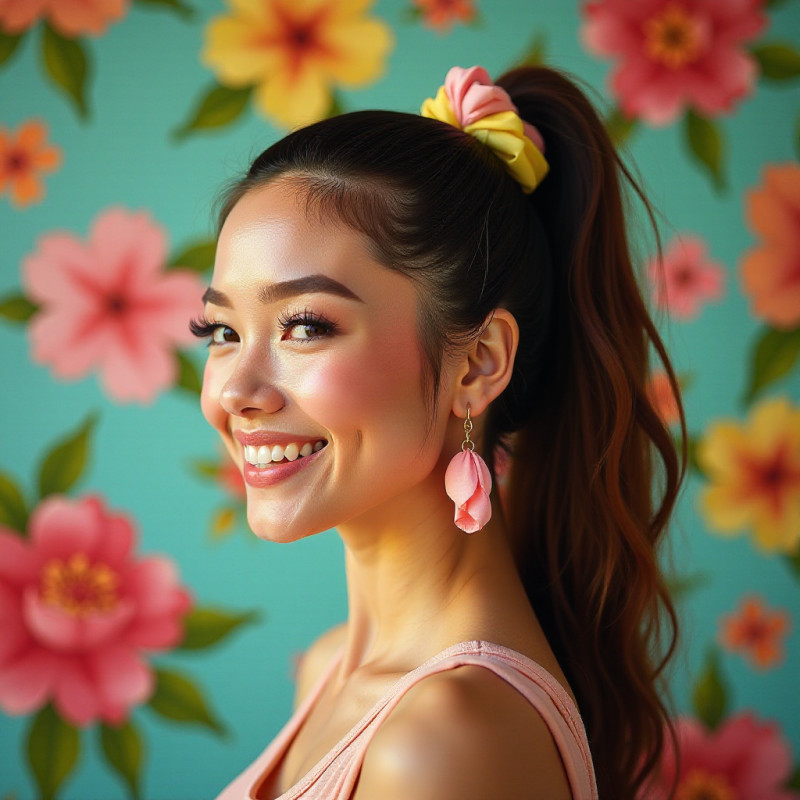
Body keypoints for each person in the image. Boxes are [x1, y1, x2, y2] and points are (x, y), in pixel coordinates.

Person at [194, 64, 686, 800]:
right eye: (223, 330)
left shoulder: (443, 742)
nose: (233, 389)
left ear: (478, 365)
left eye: (304, 326)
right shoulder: (332, 668)